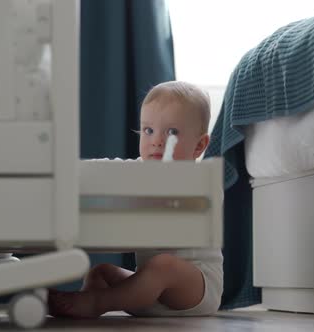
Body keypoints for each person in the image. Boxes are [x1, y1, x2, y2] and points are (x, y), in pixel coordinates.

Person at [47, 81, 223, 318]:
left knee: (164, 264)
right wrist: (73, 171)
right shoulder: (138, 172)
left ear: (199, 145)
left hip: (195, 289)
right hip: (148, 292)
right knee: (101, 272)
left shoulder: (201, 181)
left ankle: (99, 301)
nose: (156, 141)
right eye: (148, 131)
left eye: (171, 132)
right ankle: (88, 299)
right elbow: (108, 170)